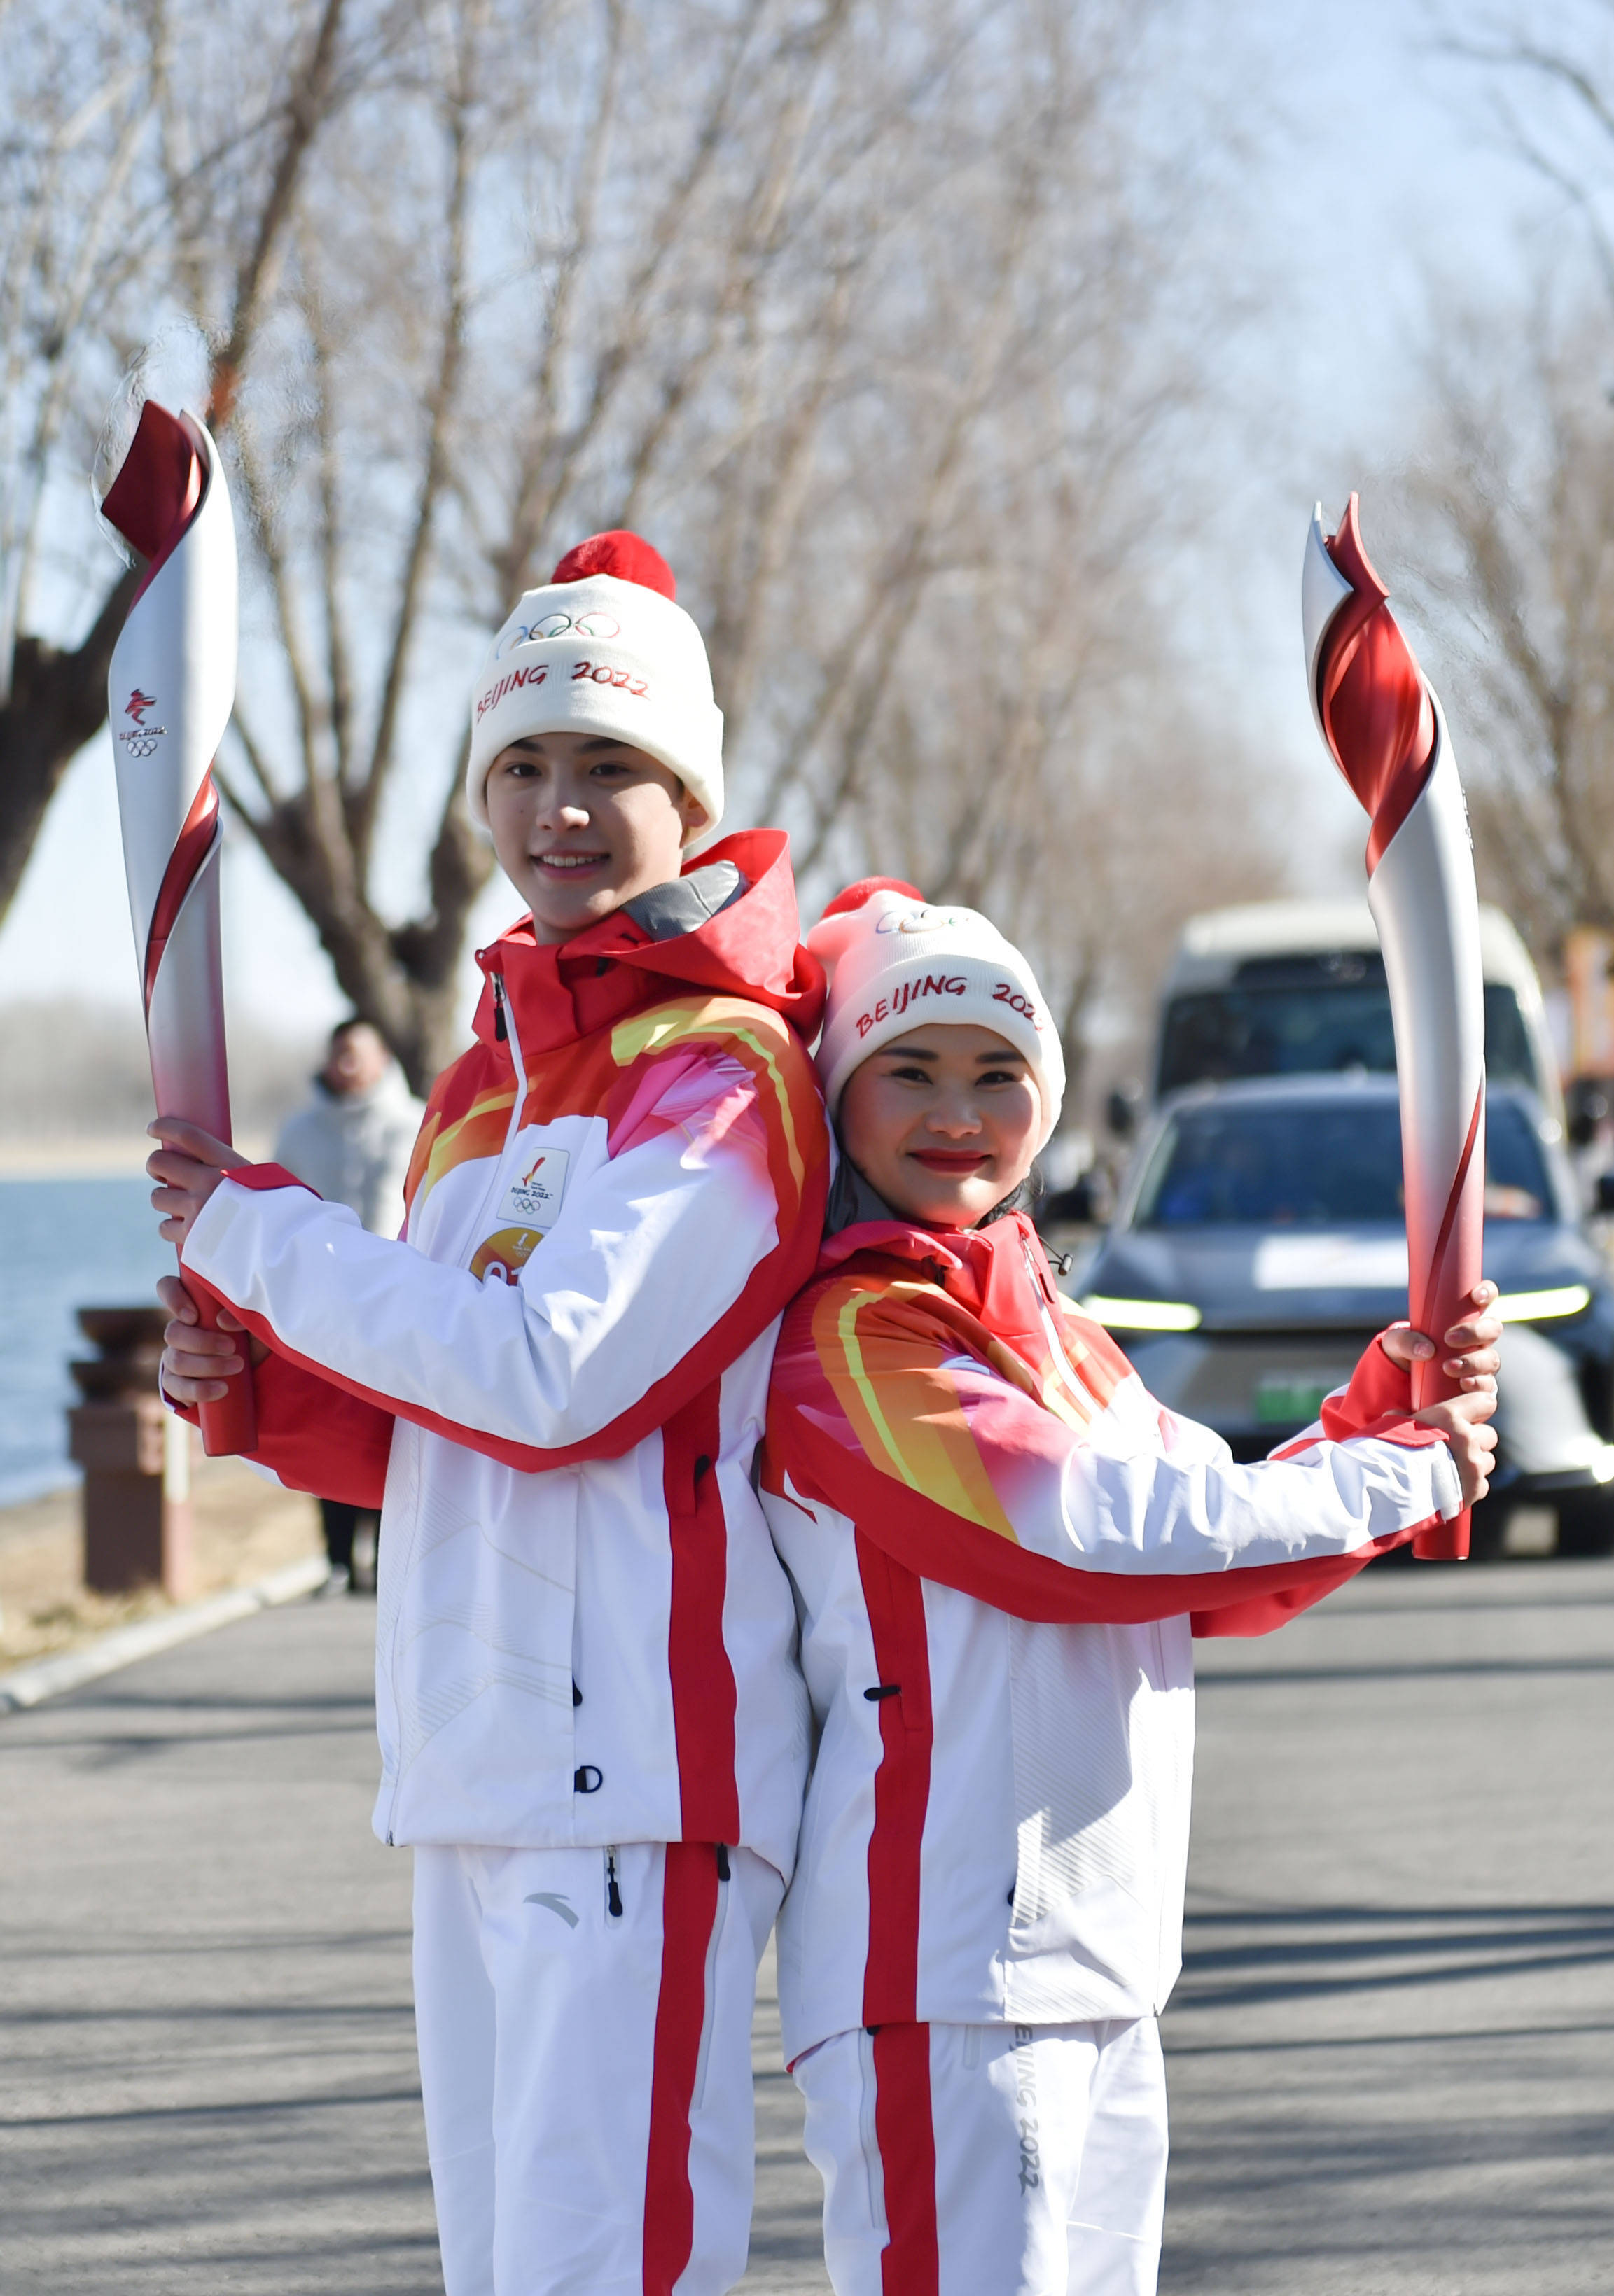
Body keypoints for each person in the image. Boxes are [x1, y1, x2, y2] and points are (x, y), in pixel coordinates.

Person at [147, 530, 831, 2296]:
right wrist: (268, 1387)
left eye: (611, 764)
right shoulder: (482, 1079)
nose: (562, 807)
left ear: (690, 791)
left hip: (631, 1777)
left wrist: (261, 1227)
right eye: (523, 763)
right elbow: (433, 1415)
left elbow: (552, 1379)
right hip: (475, 1758)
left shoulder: (720, 1072)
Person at [758, 879, 1501, 2296]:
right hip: (946, 1974)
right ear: (838, 1097)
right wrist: (1407, 1473)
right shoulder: (847, 1337)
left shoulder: (1052, 1328)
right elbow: (1080, 1535)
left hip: (1099, 1962)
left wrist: (1378, 1416)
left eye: (997, 1073)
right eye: (906, 1070)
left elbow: (1205, 1559)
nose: (955, 1110)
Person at [274, 1017, 425, 1590]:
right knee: (329, 1430)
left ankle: (390, 1562)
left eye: (357, 1053)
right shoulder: (301, 1130)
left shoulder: (412, 1122)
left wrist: (379, 1277)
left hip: (397, 1298)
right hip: (320, 1303)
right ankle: (338, 1562)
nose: (347, 1064)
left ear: (383, 1058)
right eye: (339, 1053)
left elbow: (403, 1203)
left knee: (390, 1438)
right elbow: (280, 1204)